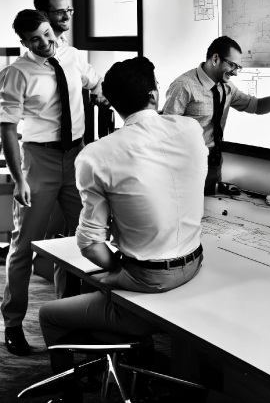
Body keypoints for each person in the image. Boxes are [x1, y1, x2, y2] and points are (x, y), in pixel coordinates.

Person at [39, 57, 207, 400]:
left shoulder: (97, 155)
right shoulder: (190, 129)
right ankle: (136, 369)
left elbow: (89, 244)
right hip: (195, 266)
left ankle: (69, 394)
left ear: (112, 104)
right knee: (90, 281)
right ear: (154, 94)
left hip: (149, 280)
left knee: (50, 312)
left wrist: (117, 269)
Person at [1, 10, 106, 356]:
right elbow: (7, 129)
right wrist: (19, 180)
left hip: (76, 157)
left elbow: (97, 85)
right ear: (24, 42)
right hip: (39, 161)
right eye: (36, 40)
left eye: (48, 34)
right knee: (23, 245)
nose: (46, 43)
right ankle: (13, 324)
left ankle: (70, 314)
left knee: (83, 240)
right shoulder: (16, 73)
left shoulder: (73, 55)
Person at [163, 35, 270, 193]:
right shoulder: (183, 86)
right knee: (189, 213)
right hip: (186, 166)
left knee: (211, 211)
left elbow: (257, 106)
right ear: (215, 59)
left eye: (238, 67)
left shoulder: (227, 88)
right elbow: (164, 133)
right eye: (233, 65)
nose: (235, 73)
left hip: (214, 162)